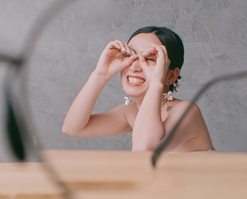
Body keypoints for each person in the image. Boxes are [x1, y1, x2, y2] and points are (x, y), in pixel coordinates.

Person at [62, 26, 213, 152]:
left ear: (171, 75)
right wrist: (101, 74)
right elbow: (73, 128)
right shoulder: (131, 112)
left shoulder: (187, 111)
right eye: (129, 56)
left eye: (149, 59)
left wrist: (156, 83)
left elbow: (145, 150)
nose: (134, 67)